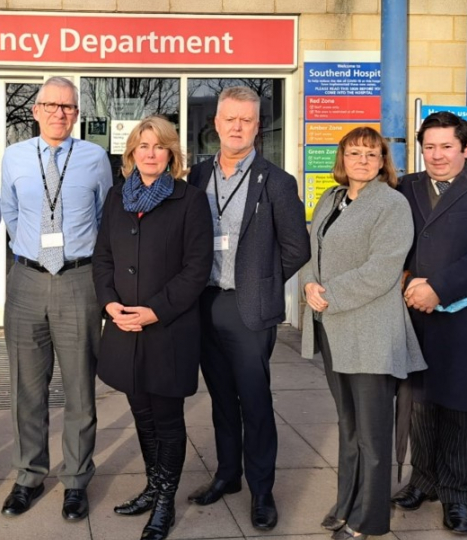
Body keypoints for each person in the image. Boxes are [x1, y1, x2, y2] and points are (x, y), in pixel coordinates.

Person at [186, 86, 310, 530]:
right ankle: (227, 474)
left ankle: (262, 490)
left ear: (258, 126)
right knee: (220, 398)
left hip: (248, 309)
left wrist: (261, 282)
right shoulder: (197, 177)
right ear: (216, 123)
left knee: (254, 401)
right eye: (229, 119)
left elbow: (297, 247)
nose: (237, 126)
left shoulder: (277, 181)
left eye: (247, 120)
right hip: (205, 303)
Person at [300, 127, 427, 540]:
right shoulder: (331, 199)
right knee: (348, 423)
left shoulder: (391, 204)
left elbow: (383, 268)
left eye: (371, 154)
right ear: (342, 158)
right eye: (354, 153)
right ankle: (346, 502)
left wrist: (329, 294)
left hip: (371, 329)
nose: (362, 160)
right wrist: (308, 285)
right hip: (333, 328)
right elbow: (311, 250)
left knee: (372, 432)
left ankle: (368, 519)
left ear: (382, 162)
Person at [393, 111, 467, 534]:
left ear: (466, 148)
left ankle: (456, 497)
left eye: (446, 147)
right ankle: (422, 482)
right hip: (412, 316)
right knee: (420, 407)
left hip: (463, 319)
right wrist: (407, 279)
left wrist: (438, 288)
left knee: (461, 412)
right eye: (429, 147)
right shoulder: (404, 186)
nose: (437, 155)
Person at [93, 116, 214, 540]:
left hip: (168, 329)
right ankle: (152, 485)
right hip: (123, 327)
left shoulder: (190, 200)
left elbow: (196, 269)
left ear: (171, 154)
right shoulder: (116, 197)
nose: (149, 153)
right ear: (131, 154)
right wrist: (110, 303)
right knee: (140, 412)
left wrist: (154, 311)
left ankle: (165, 500)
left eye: (158, 146)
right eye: (142, 146)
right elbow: (103, 257)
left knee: (166, 418)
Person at [0, 77, 113, 520]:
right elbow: (11, 212)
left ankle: (77, 479)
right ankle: (28, 475)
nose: (58, 113)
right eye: (50, 105)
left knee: (80, 389)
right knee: (27, 390)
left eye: (67, 107)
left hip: (78, 281)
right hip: (26, 279)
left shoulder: (94, 158)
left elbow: (105, 217)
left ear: (77, 113)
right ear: (36, 109)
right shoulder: (14, 157)